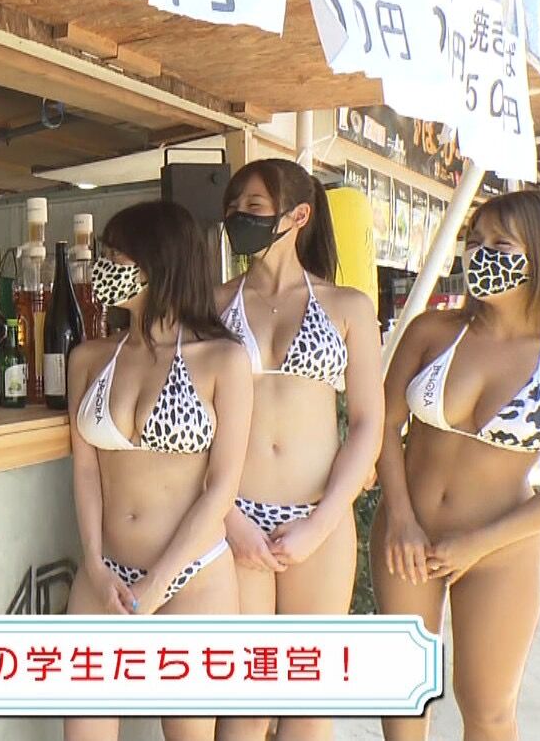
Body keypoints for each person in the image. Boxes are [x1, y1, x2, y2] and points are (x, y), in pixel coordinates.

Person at [373, 190, 540, 741]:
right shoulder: (433, 331)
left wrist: (478, 543)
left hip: (501, 548)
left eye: (500, 244)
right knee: (402, 697)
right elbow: (383, 427)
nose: (479, 253)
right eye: (475, 240)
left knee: (487, 709)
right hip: (406, 534)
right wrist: (400, 518)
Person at [65, 201, 252, 741]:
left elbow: (221, 488)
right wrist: (94, 564)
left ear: (158, 262)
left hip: (194, 575)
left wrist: (159, 581)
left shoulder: (222, 359)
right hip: (104, 573)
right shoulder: (88, 358)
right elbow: (85, 472)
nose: (103, 267)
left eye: (116, 255)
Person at [213, 159, 383, 741]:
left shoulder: (349, 307)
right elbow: (198, 426)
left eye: (254, 208)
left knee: (308, 701)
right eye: (233, 209)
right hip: (234, 515)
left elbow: (367, 425)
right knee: (246, 701)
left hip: (318, 515)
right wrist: (227, 517)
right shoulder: (211, 305)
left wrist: (322, 521)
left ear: (298, 214)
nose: (239, 218)